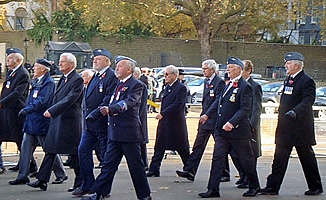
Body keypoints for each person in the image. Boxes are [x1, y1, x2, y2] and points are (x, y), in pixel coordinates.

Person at [84, 56, 151, 200]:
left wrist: (111, 109)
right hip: (114, 133)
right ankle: (100, 193)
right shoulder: (118, 84)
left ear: (129, 69)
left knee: (136, 167)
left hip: (128, 133)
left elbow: (129, 102)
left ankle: (144, 195)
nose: (117, 68)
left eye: (120, 66)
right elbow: (108, 100)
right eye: (117, 66)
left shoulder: (136, 85)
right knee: (108, 165)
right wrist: (94, 115)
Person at [260, 52, 323, 196]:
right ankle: (272, 187)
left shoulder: (307, 81)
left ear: (296, 65)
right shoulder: (288, 80)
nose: (285, 66)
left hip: (300, 128)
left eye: (288, 63)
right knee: (279, 159)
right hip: (285, 127)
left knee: (307, 159)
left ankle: (316, 186)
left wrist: (295, 111)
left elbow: (308, 100)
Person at [198, 57, 260, 198]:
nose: (228, 70)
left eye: (231, 67)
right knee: (218, 159)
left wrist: (232, 122)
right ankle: (213, 188)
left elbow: (245, 109)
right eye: (228, 67)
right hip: (222, 130)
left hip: (238, 131)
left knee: (246, 160)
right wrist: (207, 115)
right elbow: (218, 102)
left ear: (239, 69)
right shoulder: (229, 84)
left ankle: (254, 186)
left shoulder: (245, 86)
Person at [27, 53, 84, 191]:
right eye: (60, 61)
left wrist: (52, 110)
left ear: (71, 64)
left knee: (74, 154)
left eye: (63, 62)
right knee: (51, 149)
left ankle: (80, 182)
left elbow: (70, 99)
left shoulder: (77, 79)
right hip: (58, 120)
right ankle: (42, 180)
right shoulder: (64, 78)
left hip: (69, 122)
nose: (60, 64)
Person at [9, 58, 67, 185]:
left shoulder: (49, 83)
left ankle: (61, 173)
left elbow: (42, 101)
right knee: (25, 149)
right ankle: (23, 175)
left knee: (49, 149)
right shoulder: (36, 81)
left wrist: (27, 109)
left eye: (36, 67)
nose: (33, 69)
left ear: (43, 69)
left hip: (41, 122)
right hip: (31, 121)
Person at [72, 49, 118, 197]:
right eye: (94, 59)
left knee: (106, 158)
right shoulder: (96, 76)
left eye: (98, 59)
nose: (95, 61)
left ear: (107, 61)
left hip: (102, 123)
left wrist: (95, 114)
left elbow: (108, 99)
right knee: (83, 151)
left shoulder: (110, 76)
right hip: (89, 125)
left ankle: (103, 189)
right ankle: (88, 184)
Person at [176, 59, 225, 181]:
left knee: (221, 147)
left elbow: (217, 101)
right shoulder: (206, 81)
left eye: (205, 69)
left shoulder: (219, 82)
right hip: (205, 120)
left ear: (213, 69)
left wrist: (207, 114)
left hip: (214, 120)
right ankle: (190, 171)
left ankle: (225, 173)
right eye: (202, 69)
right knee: (198, 146)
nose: (203, 71)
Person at [147, 65, 189, 177]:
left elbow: (178, 104)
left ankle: (189, 169)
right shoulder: (167, 87)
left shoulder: (181, 88)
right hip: (165, 123)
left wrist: (163, 113)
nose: (164, 77)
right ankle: (154, 169)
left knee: (182, 148)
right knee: (159, 146)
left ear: (174, 75)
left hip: (176, 123)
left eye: (167, 74)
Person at [231, 60, 263, 188]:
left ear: (248, 71)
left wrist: (252, 125)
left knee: (249, 154)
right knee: (235, 153)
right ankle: (243, 175)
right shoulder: (236, 85)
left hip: (249, 125)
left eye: (242, 69)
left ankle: (248, 179)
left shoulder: (254, 86)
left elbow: (256, 108)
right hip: (237, 124)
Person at [0, 48, 32, 173]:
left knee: (19, 138)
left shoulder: (23, 74)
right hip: (6, 110)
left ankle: (29, 164)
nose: (7, 60)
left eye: (9, 58)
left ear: (17, 60)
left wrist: (2, 103)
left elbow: (17, 93)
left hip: (15, 110)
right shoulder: (11, 72)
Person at [133, 67, 149, 170]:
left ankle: (144, 163)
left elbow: (141, 104)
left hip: (139, 118)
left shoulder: (140, 86)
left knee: (141, 142)